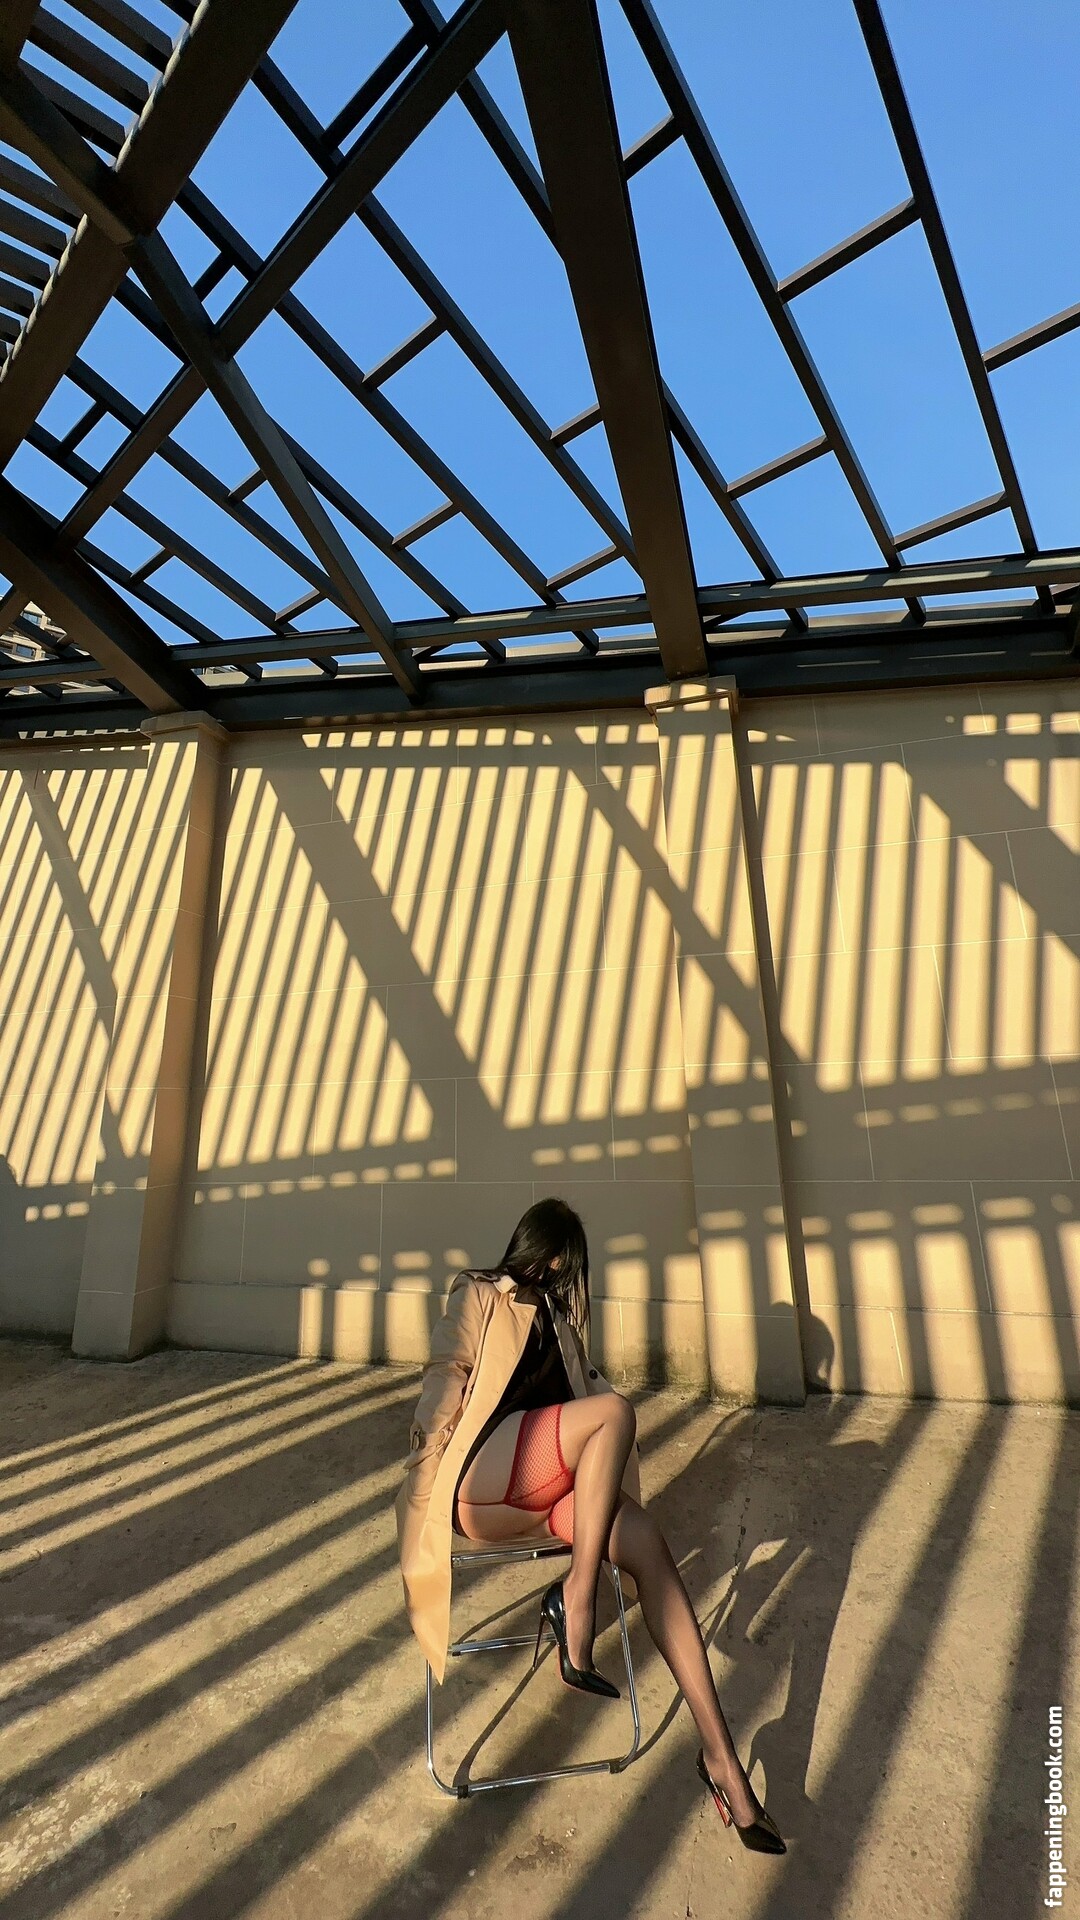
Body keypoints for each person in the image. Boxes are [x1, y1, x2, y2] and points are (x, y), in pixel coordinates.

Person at [394, 1196, 785, 1854]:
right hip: (475, 1479)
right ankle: (579, 1596)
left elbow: (588, 1422)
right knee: (615, 1414)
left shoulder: (562, 1326)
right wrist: (423, 1485)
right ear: (546, 1253)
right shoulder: (478, 1294)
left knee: (648, 1545)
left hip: (540, 1489)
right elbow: (444, 1380)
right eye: (565, 1265)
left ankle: (721, 1760)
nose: (568, 1278)